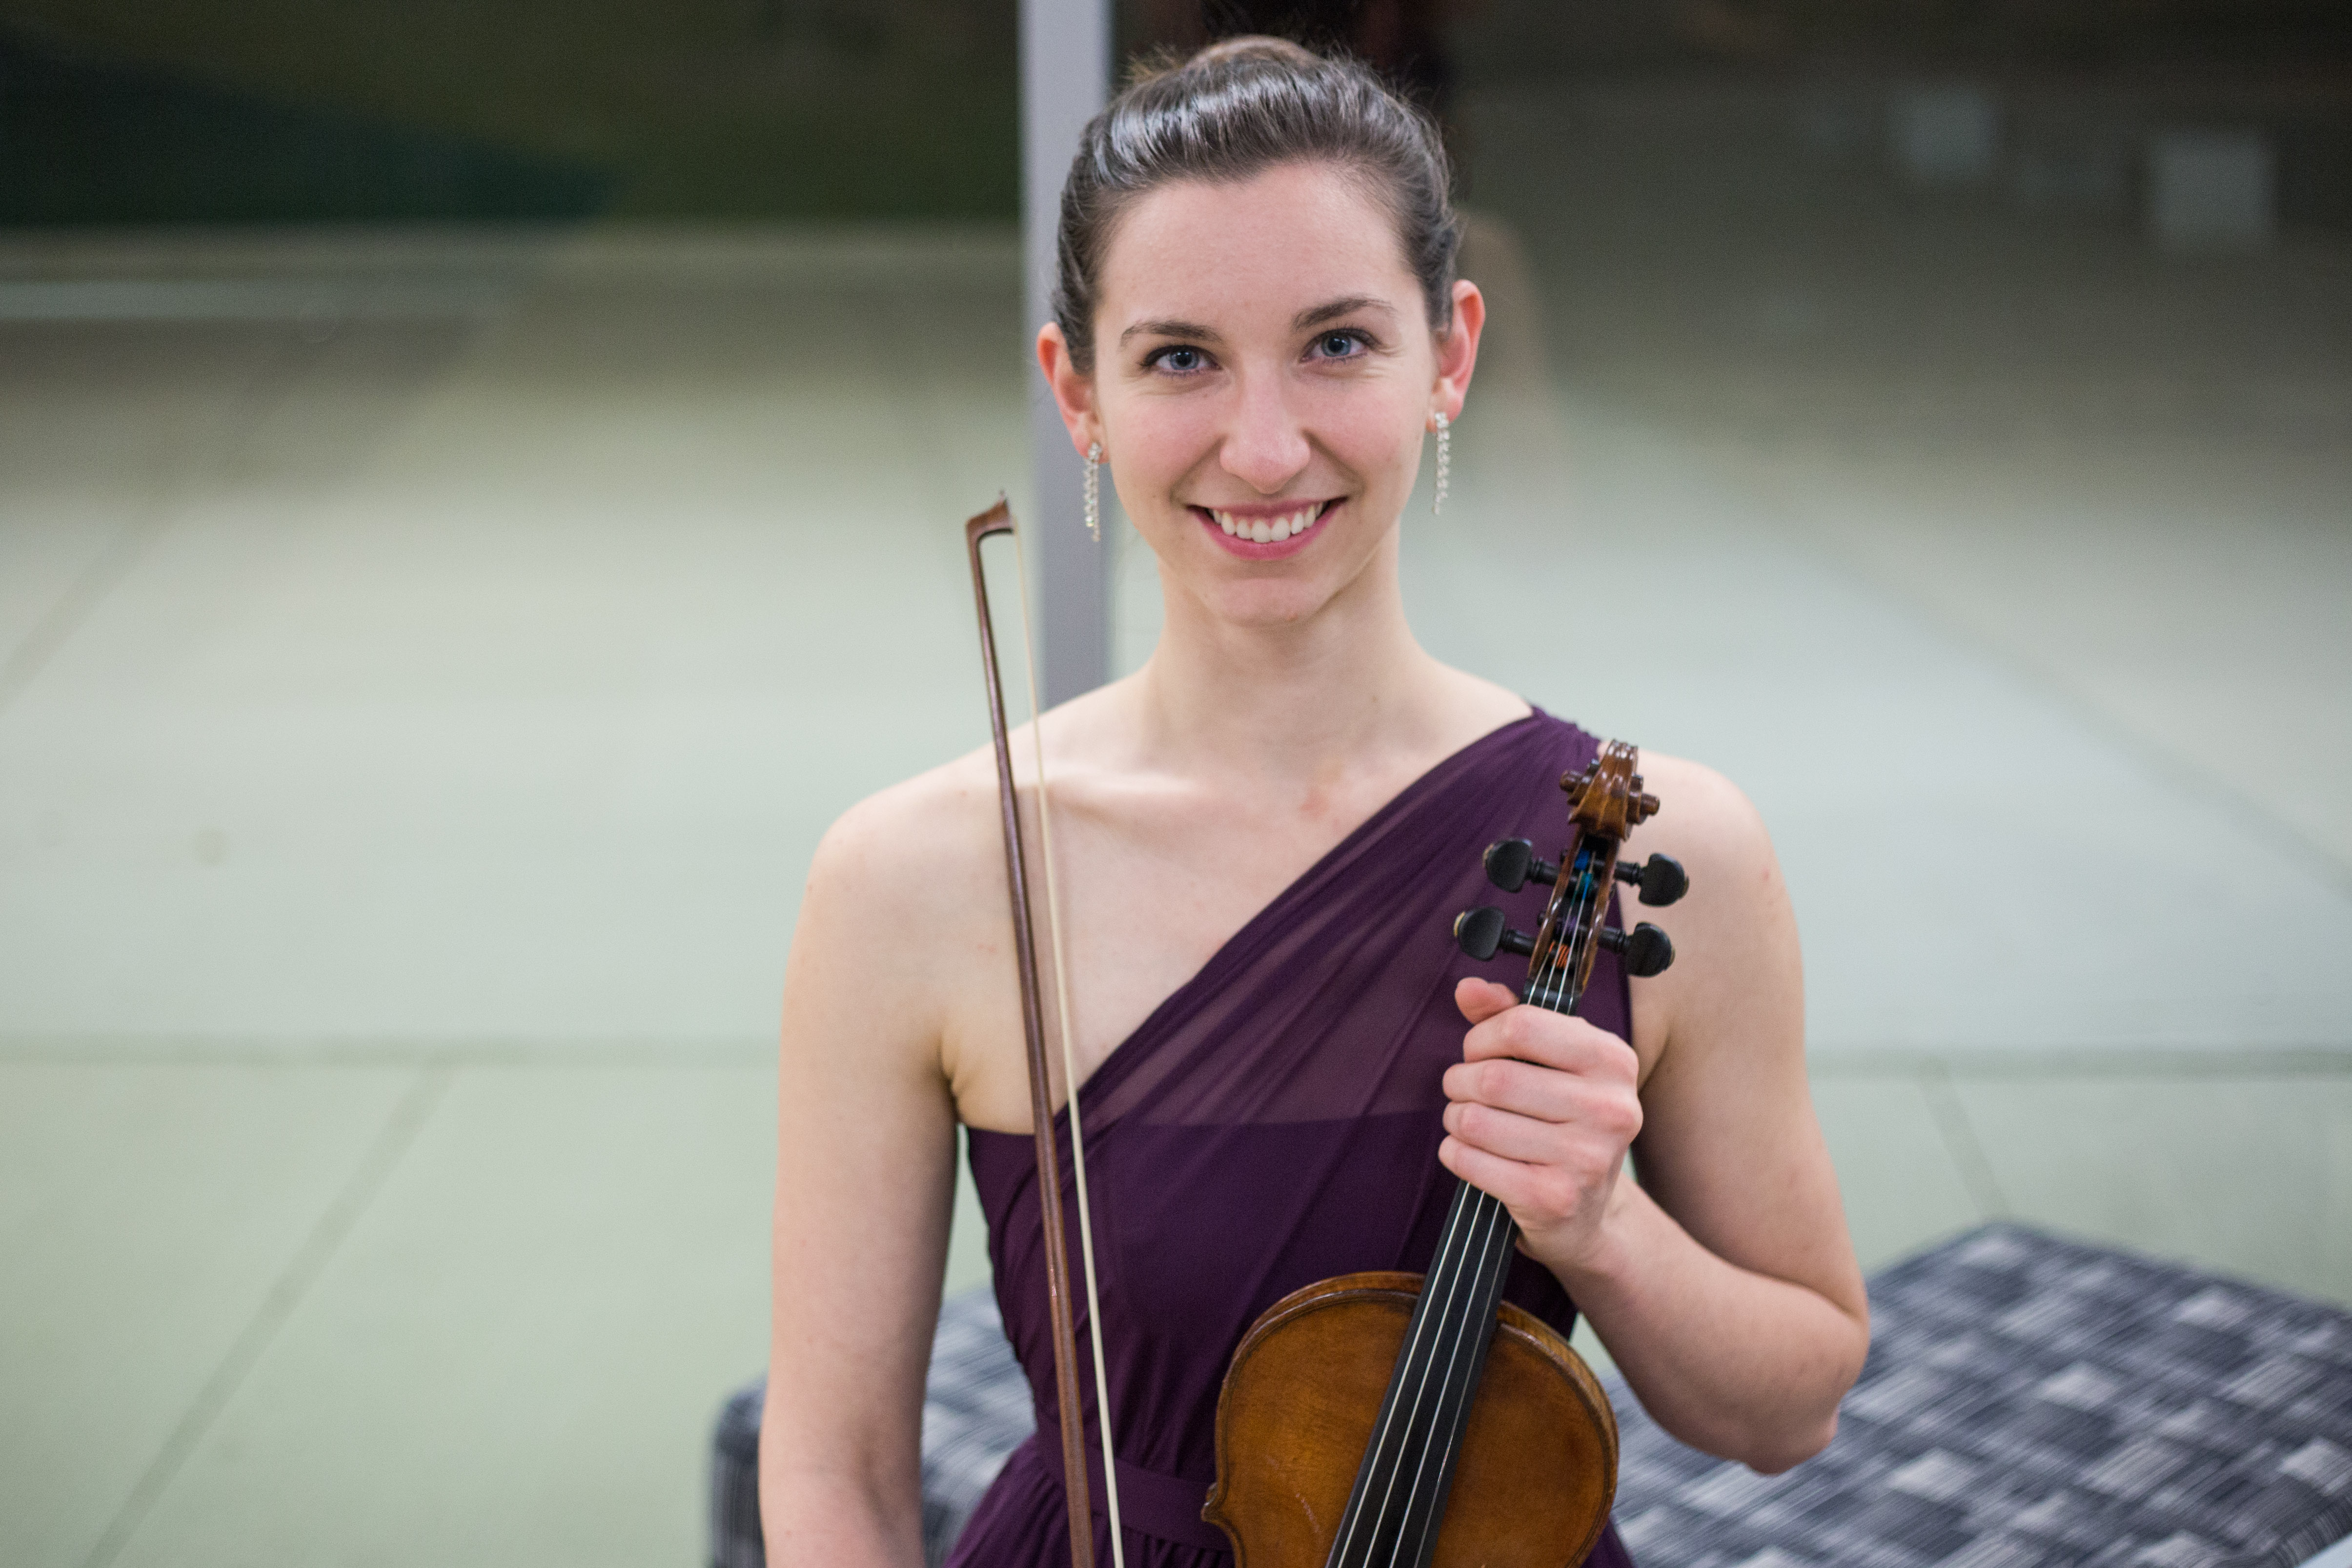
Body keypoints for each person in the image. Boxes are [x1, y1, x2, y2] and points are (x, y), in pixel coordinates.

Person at [759, 37, 1868, 1568]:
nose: (1263, 446)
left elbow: (1788, 1409)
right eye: (1178, 358)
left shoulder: (1660, 848)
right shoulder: (917, 880)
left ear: (1451, 355)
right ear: (1073, 392)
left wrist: (1603, 1229)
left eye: (1337, 344)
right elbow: (837, 1478)